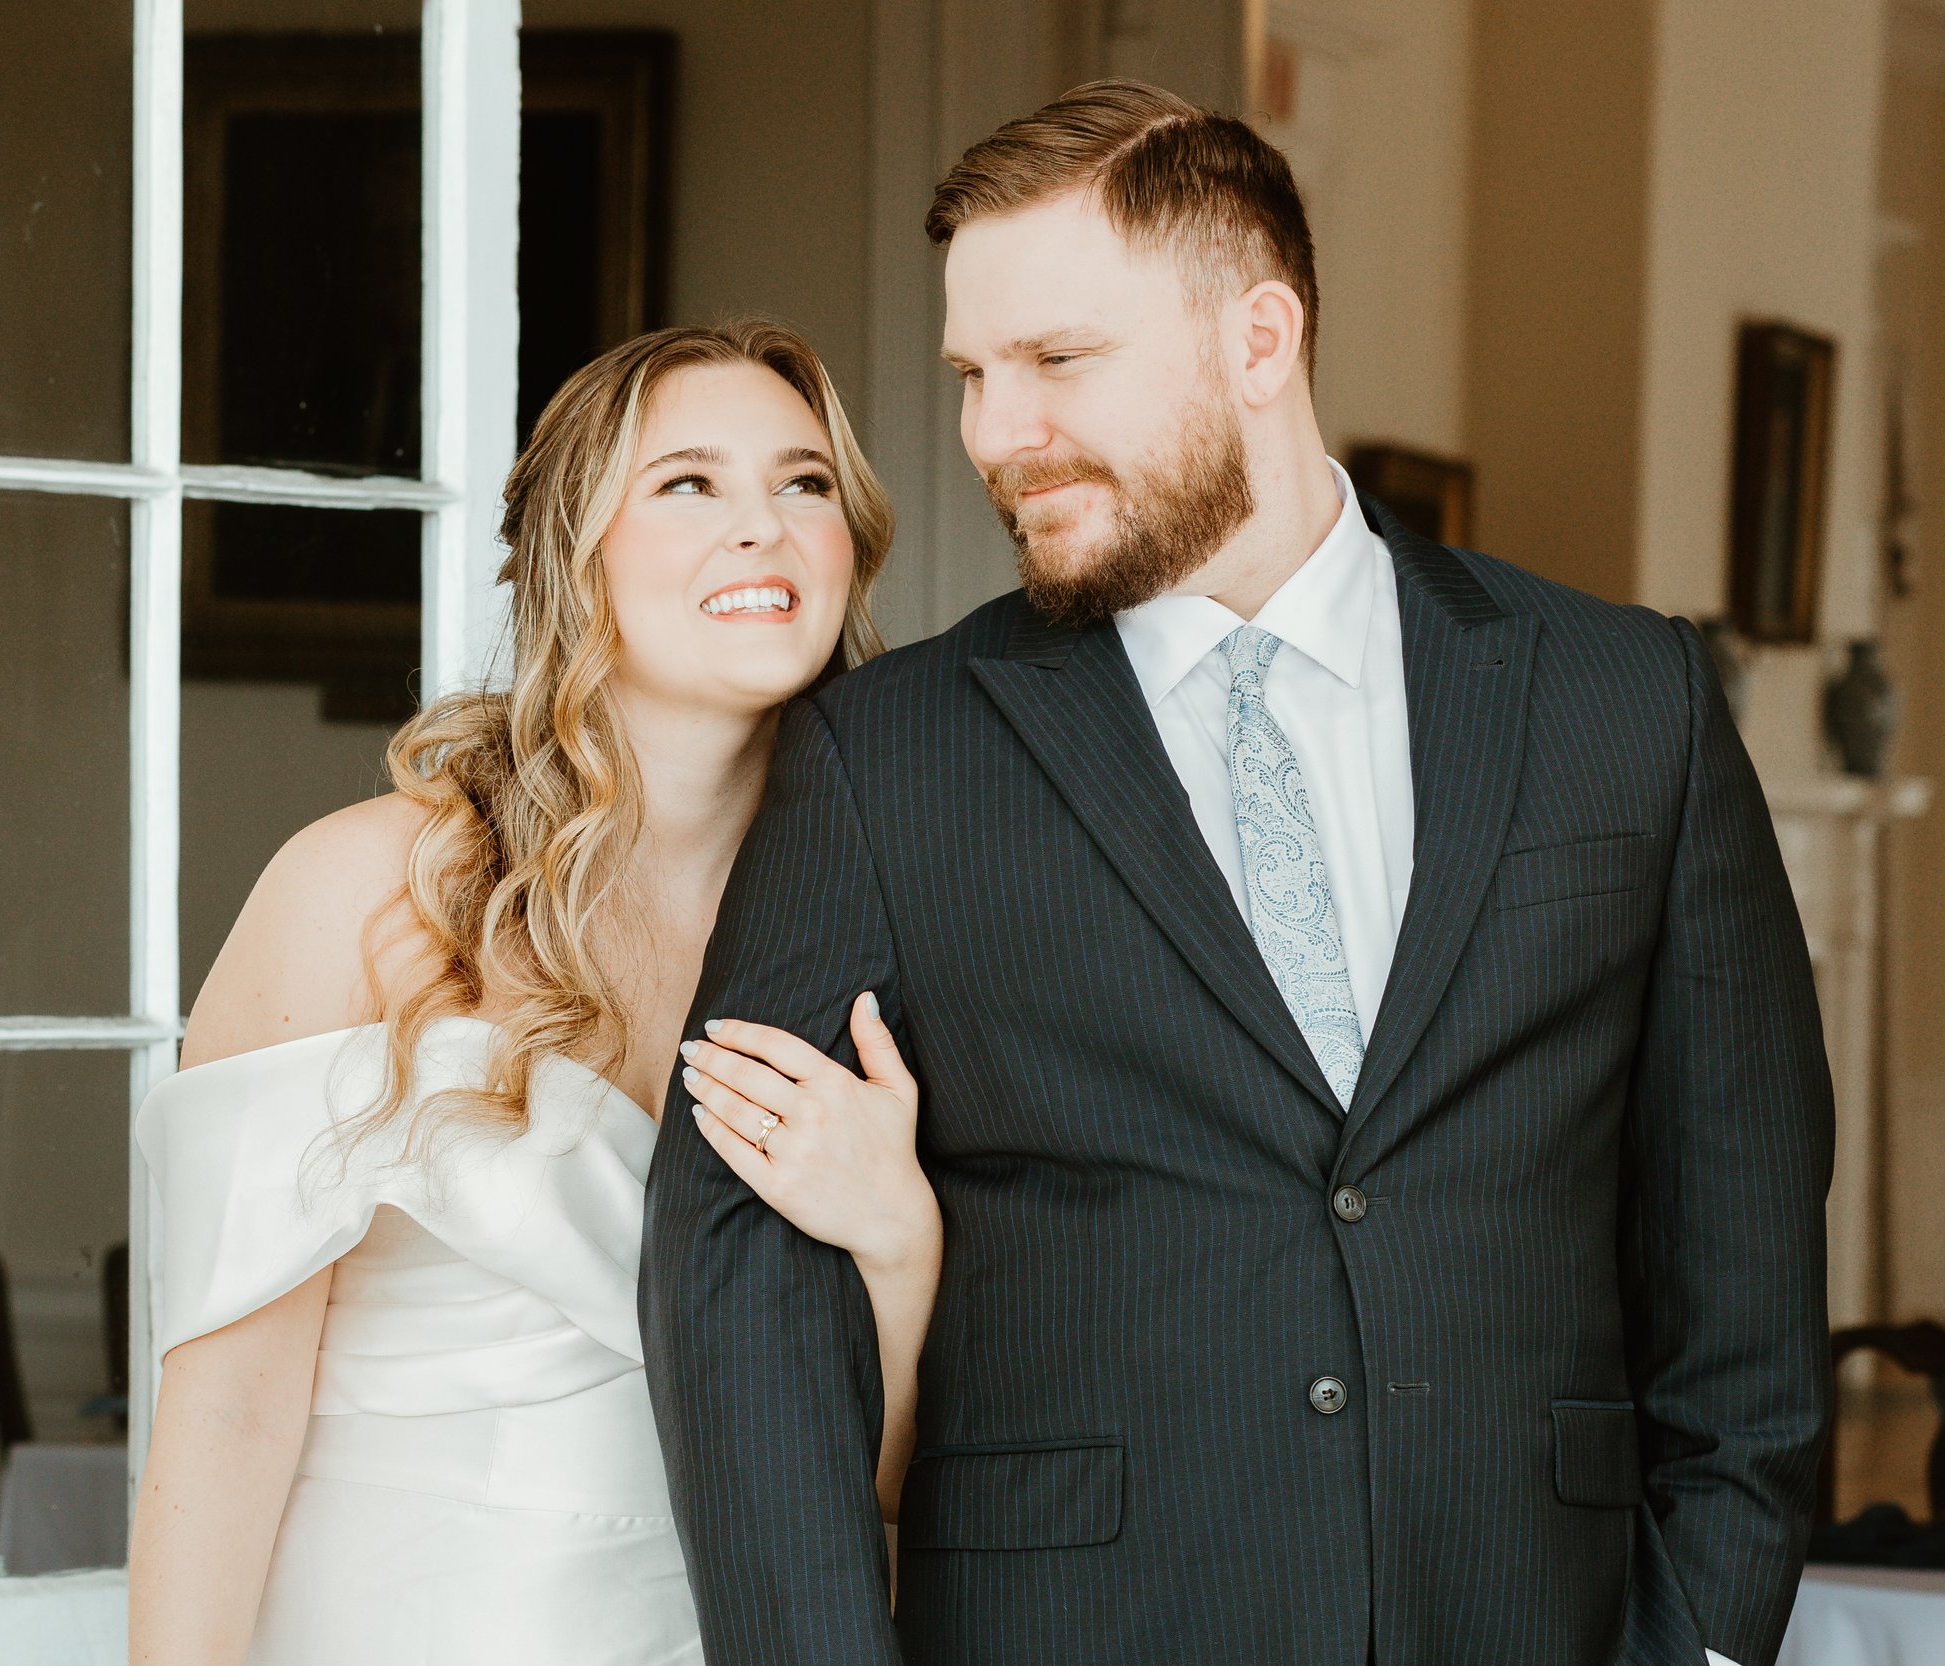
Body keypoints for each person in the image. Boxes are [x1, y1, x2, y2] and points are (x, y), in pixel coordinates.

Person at [642, 79, 1832, 1666]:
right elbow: (735, 1284)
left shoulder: (1631, 703)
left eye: (1060, 362)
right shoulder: (886, 755)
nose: (997, 434)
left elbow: (1743, 1258)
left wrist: (1698, 1649)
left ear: (1259, 341)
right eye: (975, 377)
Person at [126, 321, 941, 1666]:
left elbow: (887, 1496)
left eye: (804, 484)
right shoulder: (361, 891)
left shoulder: (886, 947)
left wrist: (901, 1241)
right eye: (689, 482)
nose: (764, 527)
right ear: (579, 549)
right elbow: (225, 1419)